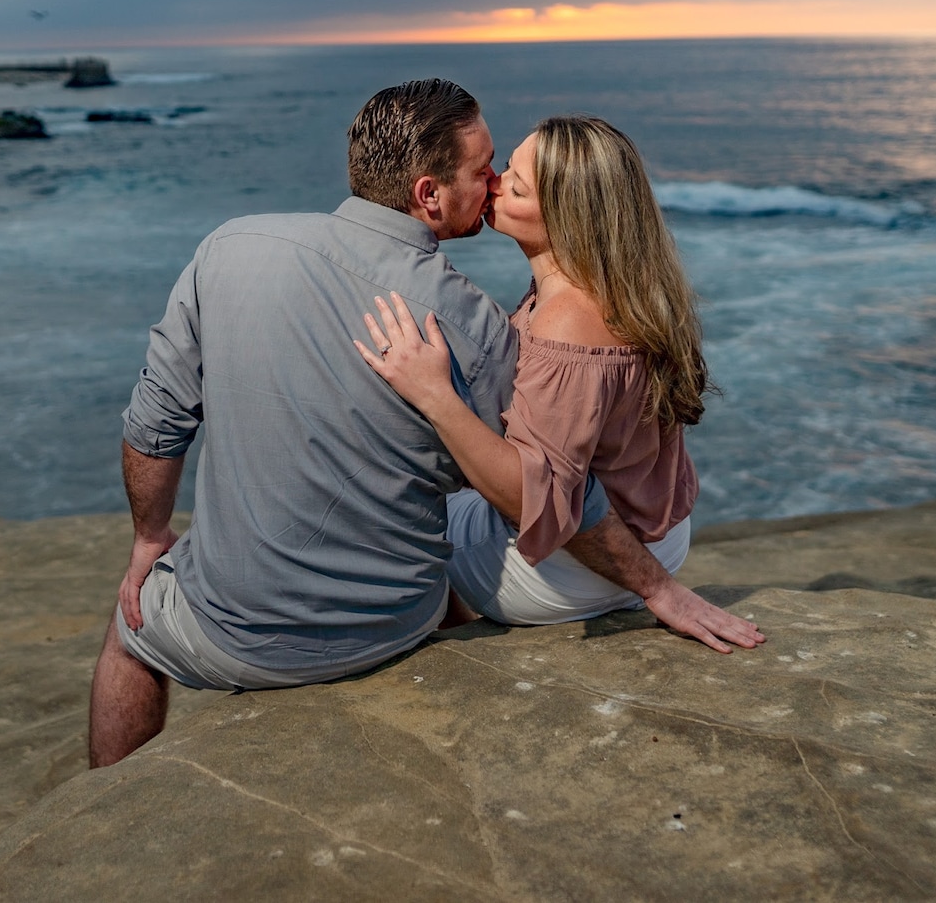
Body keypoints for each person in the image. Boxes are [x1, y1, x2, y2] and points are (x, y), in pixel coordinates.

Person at [90, 83, 756, 767]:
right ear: (430, 194)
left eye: (508, 177)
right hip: (398, 623)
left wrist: (150, 537)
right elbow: (565, 471)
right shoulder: (484, 324)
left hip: (244, 627)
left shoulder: (231, 247)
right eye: (486, 169)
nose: (494, 183)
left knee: (128, 627)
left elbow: (155, 418)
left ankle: (97, 817)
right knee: (445, 489)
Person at [357, 115, 765, 643]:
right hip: (658, 531)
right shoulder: (629, 285)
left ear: (568, 218)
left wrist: (434, 395)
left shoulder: (568, 320)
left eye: (516, 185)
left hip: (579, 571)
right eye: (504, 167)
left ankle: (437, 651)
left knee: (397, 516)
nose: (494, 182)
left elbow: (537, 496)